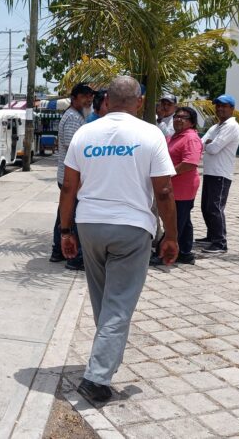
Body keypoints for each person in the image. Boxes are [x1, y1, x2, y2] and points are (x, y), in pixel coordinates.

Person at [59, 76, 178, 403]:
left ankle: (104, 357)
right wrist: (171, 236)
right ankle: (97, 378)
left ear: (107, 100)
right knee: (119, 304)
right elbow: (164, 190)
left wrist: (65, 230)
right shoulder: (151, 134)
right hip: (132, 228)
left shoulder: (86, 132)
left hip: (89, 226)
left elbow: (69, 187)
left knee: (105, 301)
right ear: (139, 102)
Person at [50, 82, 94, 270]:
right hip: (70, 176)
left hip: (69, 175)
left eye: (90, 96)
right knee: (71, 217)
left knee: (64, 215)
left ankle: (58, 251)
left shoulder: (76, 116)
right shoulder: (73, 118)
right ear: (74, 98)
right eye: (84, 96)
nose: (88, 99)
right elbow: (71, 146)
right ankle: (72, 256)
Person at [151, 106, 202, 266]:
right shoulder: (175, 137)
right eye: (176, 116)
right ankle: (185, 252)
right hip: (175, 186)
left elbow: (190, 163)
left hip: (182, 188)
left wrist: (167, 174)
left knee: (174, 220)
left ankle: (163, 253)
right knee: (184, 221)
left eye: (183, 117)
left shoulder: (190, 138)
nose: (178, 119)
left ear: (192, 122)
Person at [197, 94, 239, 254]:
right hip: (210, 172)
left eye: (224, 106)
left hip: (221, 174)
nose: (220, 108)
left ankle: (220, 242)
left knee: (215, 208)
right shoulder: (216, 127)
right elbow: (201, 143)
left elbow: (213, 148)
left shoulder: (231, 126)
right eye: (218, 106)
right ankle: (211, 236)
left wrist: (208, 144)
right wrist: (208, 144)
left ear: (232, 109)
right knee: (206, 207)